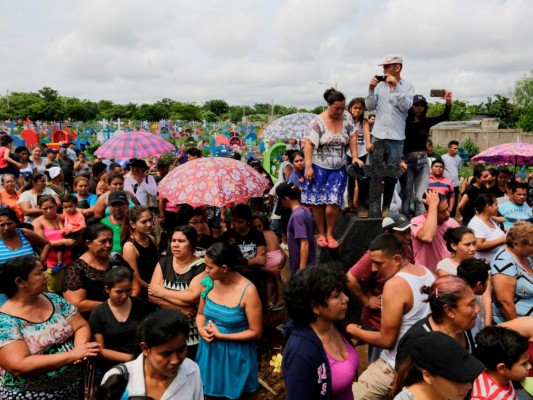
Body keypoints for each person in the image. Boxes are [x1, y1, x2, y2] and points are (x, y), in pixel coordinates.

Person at [0, 255, 101, 399]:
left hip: (71, 387)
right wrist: (72, 355)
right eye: (39, 273)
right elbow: (19, 365)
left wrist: (80, 349)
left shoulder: (53, 299)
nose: (46, 276)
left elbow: (80, 326)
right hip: (31, 395)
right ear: (20, 282)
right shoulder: (4, 321)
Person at [348, 234, 435, 399]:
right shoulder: (427, 273)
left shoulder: (395, 284)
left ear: (396, 259)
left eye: (378, 263)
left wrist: (354, 331)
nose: (373, 269)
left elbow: (387, 341)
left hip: (393, 366)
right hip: (419, 365)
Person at [196, 242, 262, 399]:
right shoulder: (208, 282)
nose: (206, 270)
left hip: (235, 359)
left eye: (209, 267)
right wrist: (200, 329)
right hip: (209, 355)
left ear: (224, 268)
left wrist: (223, 336)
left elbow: (256, 332)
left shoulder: (248, 291)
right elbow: (200, 314)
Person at [283, 264, 359, 399]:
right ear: (315, 306)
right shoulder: (300, 352)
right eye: (336, 296)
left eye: (342, 292)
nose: (346, 299)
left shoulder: (334, 325)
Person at [346, 213, 414, 364]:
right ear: (388, 234)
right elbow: (350, 278)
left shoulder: (406, 249)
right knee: (378, 365)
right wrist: (366, 301)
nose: (408, 237)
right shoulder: (374, 256)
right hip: (379, 324)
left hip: (402, 321)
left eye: (409, 231)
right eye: (402, 233)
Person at [302, 88, 362, 249]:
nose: (340, 111)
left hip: (338, 168)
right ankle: (321, 233)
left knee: (333, 203)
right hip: (318, 167)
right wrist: (308, 167)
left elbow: (353, 137)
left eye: (343, 108)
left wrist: (355, 156)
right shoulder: (317, 122)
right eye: (337, 108)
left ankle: (330, 233)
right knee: (319, 203)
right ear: (328, 105)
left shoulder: (347, 118)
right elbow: (308, 144)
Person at [101, 309, 203, 400]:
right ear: (145, 348)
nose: (175, 360)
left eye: (181, 350)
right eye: (166, 354)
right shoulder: (117, 378)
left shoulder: (192, 371)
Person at [395, 275, 480, 369]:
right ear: (449, 310)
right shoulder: (418, 342)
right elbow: (401, 380)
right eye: (471, 304)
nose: (477, 309)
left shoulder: (463, 326)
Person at [366, 54, 415, 216]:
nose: (384, 70)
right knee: (374, 172)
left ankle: (386, 207)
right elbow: (370, 106)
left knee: (391, 174)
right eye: (383, 67)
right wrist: (371, 89)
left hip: (396, 137)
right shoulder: (379, 86)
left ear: (397, 68)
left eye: (387, 67)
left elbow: (406, 106)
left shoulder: (407, 86)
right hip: (378, 134)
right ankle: (373, 208)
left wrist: (396, 87)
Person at [148, 226, 206, 360]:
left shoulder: (201, 266)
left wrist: (162, 291)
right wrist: (181, 308)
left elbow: (192, 297)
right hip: (164, 326)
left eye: (181, 241)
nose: (175, 245)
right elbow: (151, 296)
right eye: (173, 240)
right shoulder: (164, 262)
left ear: (191, 243)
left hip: (190, 332)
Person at [89, 264, 150, 379]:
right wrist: (133, 359)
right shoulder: (98, 313)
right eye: (119, 292)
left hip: (139, 368)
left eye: (128, 291)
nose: (125, 296)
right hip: (112, 372)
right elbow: (100, 350)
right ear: (107, 289)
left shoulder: (140, 306)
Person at [401, 92, 452, 219]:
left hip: (423, 161)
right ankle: (406, 226)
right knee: (407, 197)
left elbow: (444, 116)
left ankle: (418, 225)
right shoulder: (403, 122)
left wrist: (448, 102)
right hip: (407, 161)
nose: (419, 108)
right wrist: (399, 159)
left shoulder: (426, 122)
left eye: (422, 105)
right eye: (416, 105)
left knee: (420, 197)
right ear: (410, 106)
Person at [62, 224, 130, 317]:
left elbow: (134, 286)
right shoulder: (76, 270)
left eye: (110, 240)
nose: (108, 245)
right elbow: (77, 305)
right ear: (89, 243)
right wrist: (112, 305)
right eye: (103, 241)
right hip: (95, 319)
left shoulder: (116, 260)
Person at [391, 332, 484, 400]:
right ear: (427, 376)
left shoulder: (446, 393)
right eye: (458, 381)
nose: (469, 386)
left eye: (468, 380)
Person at [32, 195, 76, 291]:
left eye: (51, 207)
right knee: (55, 291)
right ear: (39, 209)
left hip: (69, 260)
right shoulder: (37, 222)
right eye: (45, 208)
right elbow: (42, 243)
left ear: (56, 205)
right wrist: (63, 241)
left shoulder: (63, 217)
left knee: (71, 289)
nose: (49, 211)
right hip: (52, 264)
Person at [472, 326, 530, 399]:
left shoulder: (504, 377)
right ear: (502, 368)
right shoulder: (486, 397)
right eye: (524, 363)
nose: (529, 366)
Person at [491, 221, 533, 323]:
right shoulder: (504, 263)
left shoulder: (523, 255)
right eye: (532, 245)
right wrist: (518, 331)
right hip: (520, 326)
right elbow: (505, 303)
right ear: (515, 245)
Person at [220, 203, 266, 293]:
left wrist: (240, 264)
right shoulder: (227, 235)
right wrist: (252, 262)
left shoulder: (257, 235)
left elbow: (261, 261)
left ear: (248, 221)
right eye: (234, 220)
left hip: (253, 278)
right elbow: (225, 262)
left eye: (240, 222)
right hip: (232, 277)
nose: (236, 225)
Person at [411, 190, 460, 272]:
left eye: (447, 208)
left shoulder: (453, 222)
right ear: (429, 210)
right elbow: (427, 237)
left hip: (449, 276)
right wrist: (433, 205)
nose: (448, 214)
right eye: (442, 212)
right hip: (428, 277)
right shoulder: (417, 221)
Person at [277, 181, 316, 273]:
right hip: (309, 267)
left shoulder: (297, 216)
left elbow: (304, 243)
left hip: (302, 269)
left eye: (281, 201)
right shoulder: (305, 210)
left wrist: (301, 272)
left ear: (286, 199)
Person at [121, 205, 159, 299]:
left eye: (150, 220)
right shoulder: (130, 247)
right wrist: (154, 290)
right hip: (144, 292)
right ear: (133, 224)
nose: (149, 224)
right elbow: (136, 279)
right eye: (144, 222)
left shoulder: (152, 239)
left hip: (157, 285)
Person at [251, 214, 285, 310]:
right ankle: (280, 299)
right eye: (255, 227)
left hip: (270, 257)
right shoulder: (271, 232)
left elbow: (263, 250)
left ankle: (269, 301)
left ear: (264, 224)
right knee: (277, 278)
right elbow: (277, 246)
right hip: (279, 255)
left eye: (259, 226)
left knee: (268, 280)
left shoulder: (261, 235)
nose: (258, 229)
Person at [346, 97, 371, 214]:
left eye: (360, 108)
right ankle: (350, 202)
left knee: (363, 178)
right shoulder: (347, 121)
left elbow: (366, 132)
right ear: (350, 108)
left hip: (363, 153)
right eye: (355, 108)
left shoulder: (364, 121)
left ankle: (361, 203)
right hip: (349, 153)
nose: (357, 110)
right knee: (350, 178)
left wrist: (369, 142)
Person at [468, 193, 507, 262]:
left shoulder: (489, 218)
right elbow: (478, 246)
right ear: (488, 206)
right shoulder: (476, 223)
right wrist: (501, 240)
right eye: (496, 205)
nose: (498, 207)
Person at [441, 140, 463, 218]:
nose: (456, 150)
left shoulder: (459, 158)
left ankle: (452, 217)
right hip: (445, 184)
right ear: (449, 148)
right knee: (444, 201)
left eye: (457, 148)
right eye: (454, 148)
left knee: (454, 201)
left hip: (455, 184)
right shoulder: (443, 158)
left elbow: (458, 170)